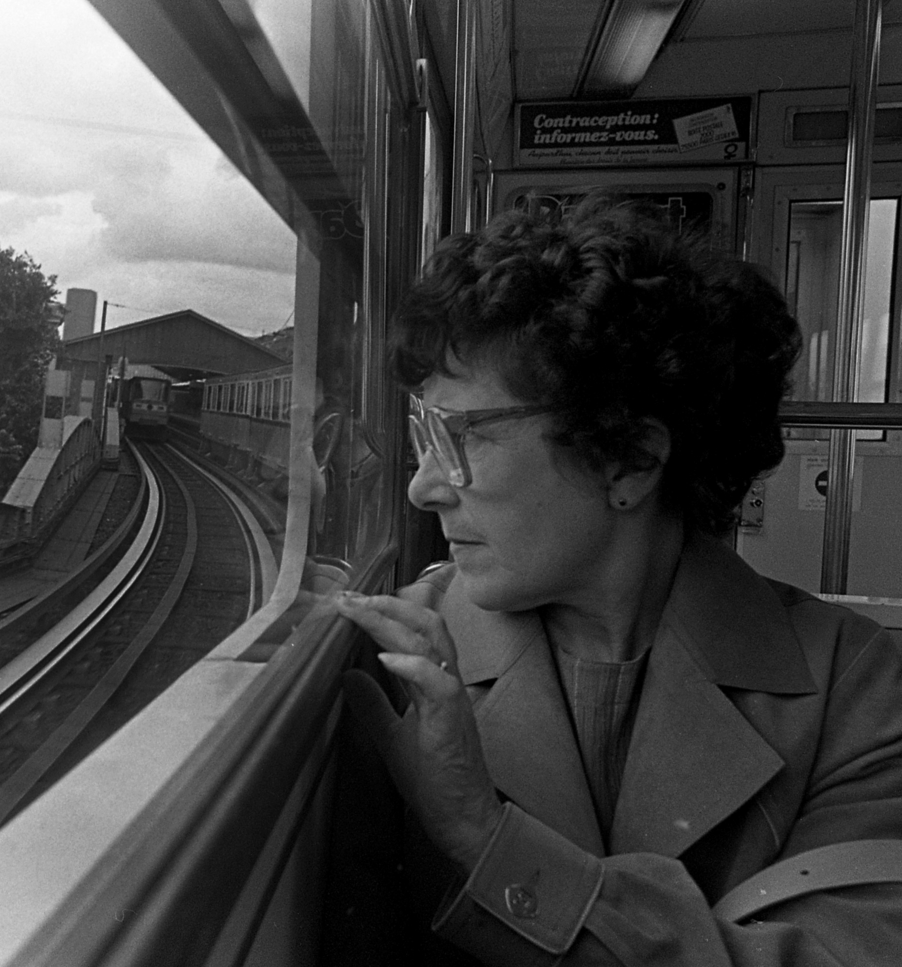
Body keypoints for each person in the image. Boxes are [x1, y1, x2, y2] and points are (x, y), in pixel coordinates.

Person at [330, 197, 902, 965]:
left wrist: (488, 843)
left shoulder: (856, 691)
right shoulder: (394, 663)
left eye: (460, 436)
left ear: (628, 458)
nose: (422, 488)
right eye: (418, 431)